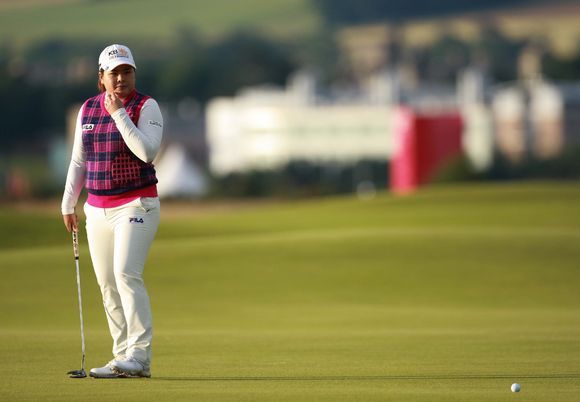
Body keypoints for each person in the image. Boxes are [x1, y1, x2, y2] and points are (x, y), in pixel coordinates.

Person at [62, 44, 163, 378]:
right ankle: (121, 357)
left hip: (137, 204)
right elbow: (79, 160)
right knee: (107, 283)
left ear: (134, 74)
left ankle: (139, 357)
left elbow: (146, 152)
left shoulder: (146, 106)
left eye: (127, 71)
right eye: (114, 72)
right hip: (97, 209)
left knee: (125, 274)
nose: (121, 78)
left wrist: (120, 113)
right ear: (101, 77)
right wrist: (68, 202)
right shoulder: (88, 109)